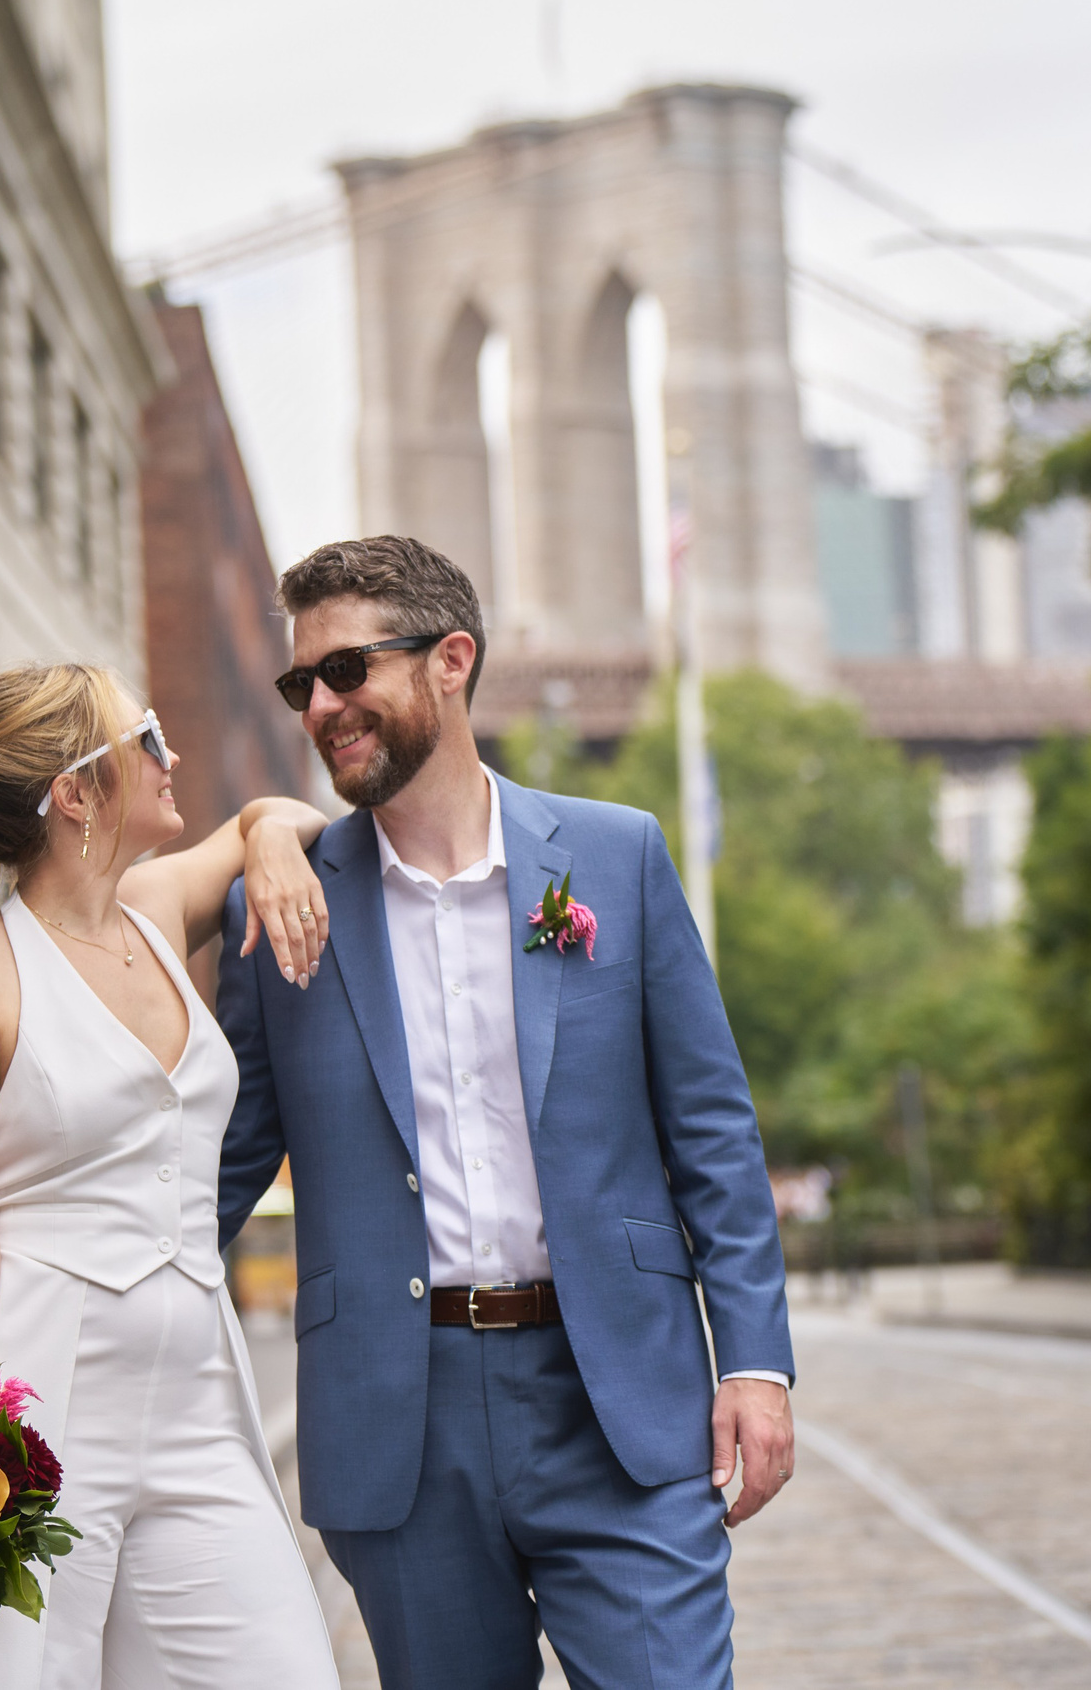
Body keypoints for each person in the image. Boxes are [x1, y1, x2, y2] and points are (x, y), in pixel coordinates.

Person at [216, 536, 796, 1690]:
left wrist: (757, 1366)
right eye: (302, 685)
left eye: (346, 672)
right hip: (399, 1419)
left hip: (617, 1398)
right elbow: (216, 1174)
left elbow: (711, 1132)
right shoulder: (277, 905)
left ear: (451, 660)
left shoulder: (613, 858)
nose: (322, 708)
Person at [0, 662, 341, 1689]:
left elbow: (287, 809)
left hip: (200, 1396)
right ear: (76, 793)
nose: (172, 760)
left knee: (283, 1669)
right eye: (148, 739)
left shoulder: (157, 912)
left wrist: (261, 842)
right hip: (43, 1400)